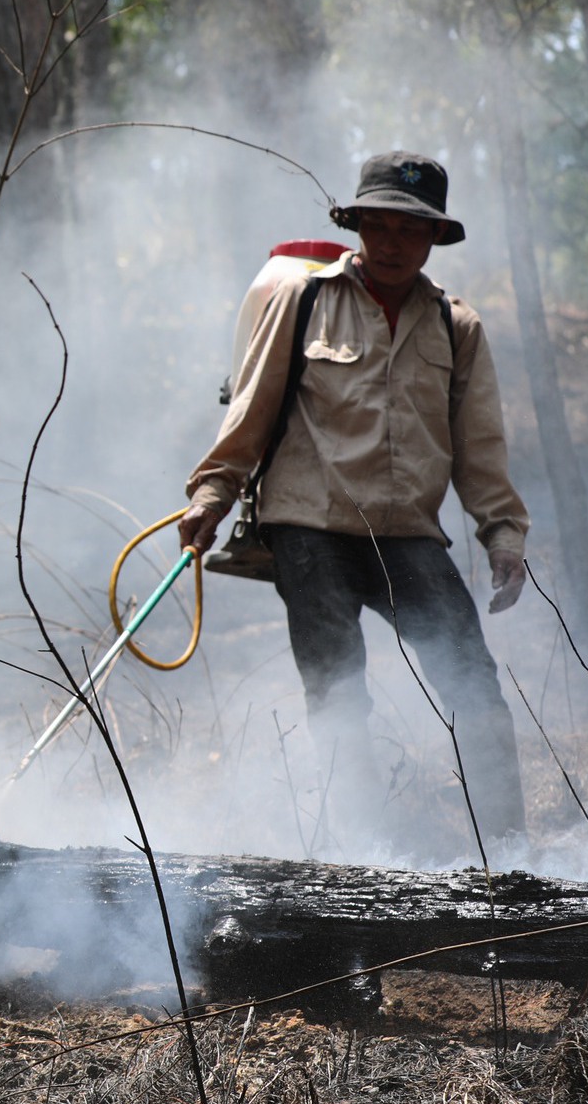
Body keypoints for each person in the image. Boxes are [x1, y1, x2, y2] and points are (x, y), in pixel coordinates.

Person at [178, 152, 530, 854]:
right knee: (339, 696)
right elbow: (250, 413)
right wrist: (212, 494)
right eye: (379, 226)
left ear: (434, 239)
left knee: (474, 687)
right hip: (309, 527)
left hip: (407, 534)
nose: (393, 244)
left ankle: (515, 860)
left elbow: (480, 448)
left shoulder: (456, 327)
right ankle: (363, 858)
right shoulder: (302, 302)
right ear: (357, 225)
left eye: (411, 230)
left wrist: (504, 536)